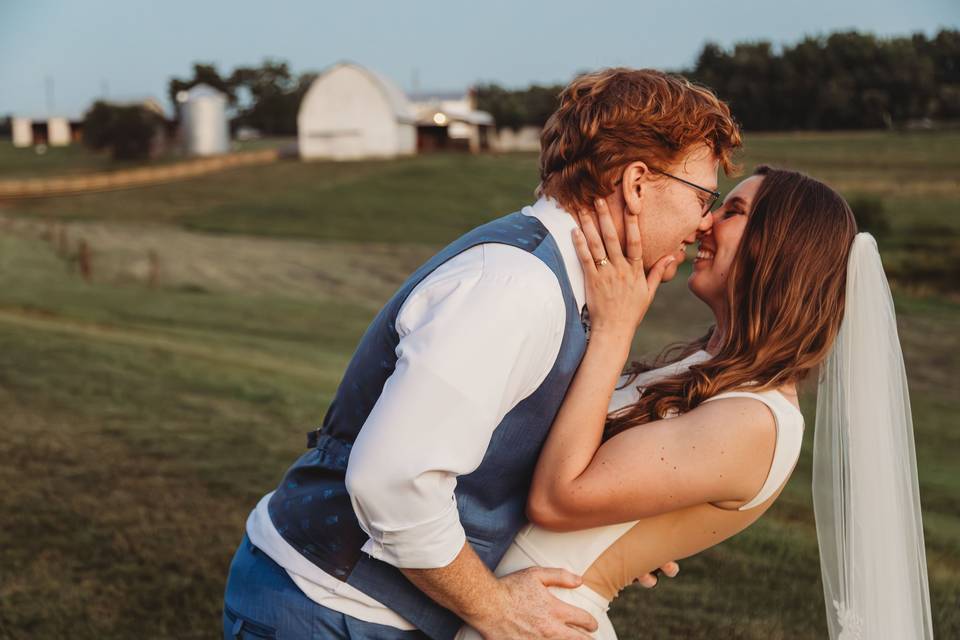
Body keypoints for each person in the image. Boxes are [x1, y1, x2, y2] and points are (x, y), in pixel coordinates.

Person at [222, 67, 742, 640]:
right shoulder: (515, 287)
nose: (704, 222)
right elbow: (393, 481)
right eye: (702, 195)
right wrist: (494, 607)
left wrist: (602, 540)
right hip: (325, 609)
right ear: (638, 183)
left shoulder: (571, 282)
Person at [456, 166, 933, 639]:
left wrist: (615, 330)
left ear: (782, 249)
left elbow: (557, 501)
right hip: (507, 604)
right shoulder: (707, 369)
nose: (706, 221)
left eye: (735, 211)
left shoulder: (756, 420)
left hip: (543, 622)